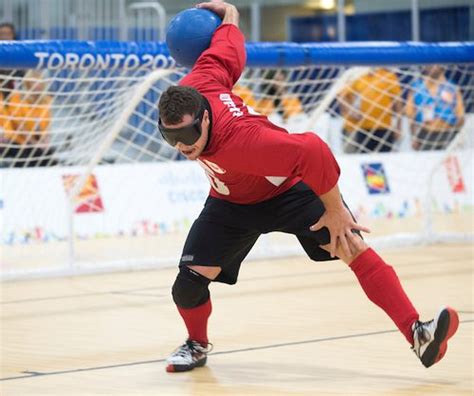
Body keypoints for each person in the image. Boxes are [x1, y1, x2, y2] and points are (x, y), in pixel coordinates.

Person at [158, 1, 459, 373]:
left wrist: (335, 210)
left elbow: (313, 150)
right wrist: (230, 12)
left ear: (205, 117)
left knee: (351, 245)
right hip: (230, 202)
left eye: (188, 135)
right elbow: (226, 41)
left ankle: (418, 334)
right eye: (171, 138)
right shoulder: (199, 81)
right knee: (185, 287)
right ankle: (197, 345)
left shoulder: (244, 140)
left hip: (288, 191)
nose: (183, 147)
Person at [338, 68, 402, 153]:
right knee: (361, 161)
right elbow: (341, 97)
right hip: (360, 128)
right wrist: (351, 111)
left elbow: (398, 103)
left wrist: (399, 127)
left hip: (384, 127)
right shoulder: (355, 76)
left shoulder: (388, 76)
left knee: (384, 160)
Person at [2, 70, 57, 167]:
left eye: (39, 82)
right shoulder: (17, 98)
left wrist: (45, 141)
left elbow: (47, 125)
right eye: (34, 82)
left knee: (47, 154)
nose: (37, 85)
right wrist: (35, 143)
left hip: (37, 140)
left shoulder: (46, 100)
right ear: (27, 84)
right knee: (31, 154)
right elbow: (20, 127)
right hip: (19, 140)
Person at [406, 65, 465, 151]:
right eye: (429, 64)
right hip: (426, 134)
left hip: (448, 133)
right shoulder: (416, 88)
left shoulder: (452, 88)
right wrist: (414, 137)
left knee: (449, 162)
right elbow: (411, 116)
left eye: (435, 64)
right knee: (427, 163)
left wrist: (460, 135)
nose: (432, 66)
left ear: (442, 66)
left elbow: (460, 116)